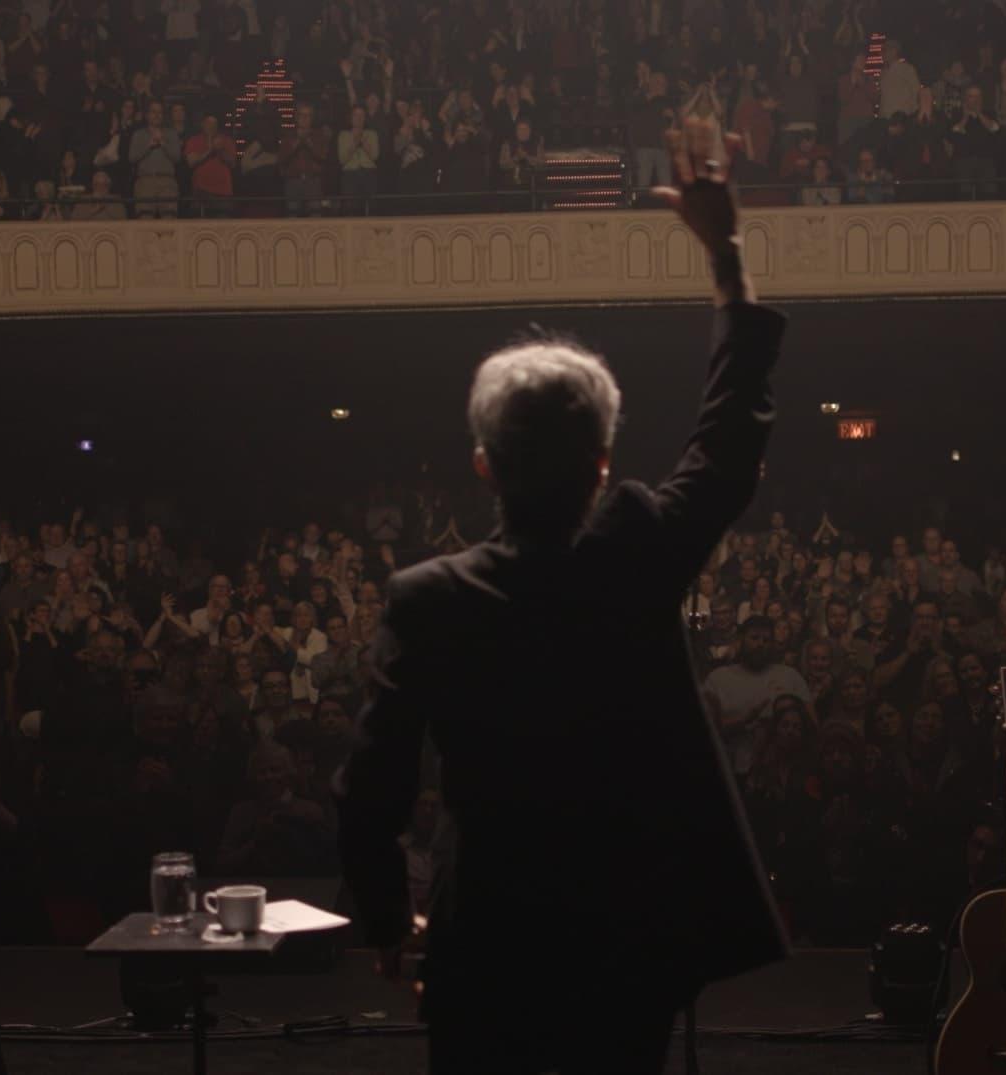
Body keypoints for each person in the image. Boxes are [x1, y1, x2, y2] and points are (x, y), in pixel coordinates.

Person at [335, 118, 789, 1075]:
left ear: (482, 464)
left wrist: (386, 917)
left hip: (484, 937)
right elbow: (728, 441)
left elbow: (372, 788)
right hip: (625, 940)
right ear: (603, 462)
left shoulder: (428, 599)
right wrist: (727, 258)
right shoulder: (637, 559)